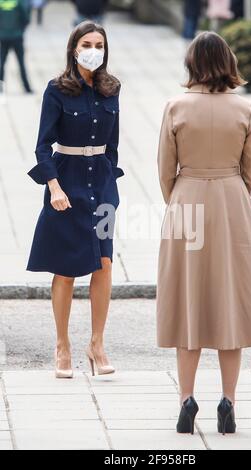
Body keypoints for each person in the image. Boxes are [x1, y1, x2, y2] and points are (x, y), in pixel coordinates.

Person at [156, 31, 251, 435]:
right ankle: (228, 401)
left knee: (187, 299)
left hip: (186, 197)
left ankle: (186, 399)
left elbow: (164, 171)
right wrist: (234, 193)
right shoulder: (244, 109)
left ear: (192, 63)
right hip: (231, 200)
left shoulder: (175, 107)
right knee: (231, 301)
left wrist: (179, 200)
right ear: (229, 62)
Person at [26, 20, 125, 379]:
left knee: (104, 263)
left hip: (102, 184)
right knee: (66, 268)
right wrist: (53, 187)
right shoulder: (57, 90)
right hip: (66, 182)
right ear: (74, 48)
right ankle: (62, 344)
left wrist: (110, 179)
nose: (94, 49)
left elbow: (113, 146)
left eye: (100, 43)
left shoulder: (112, 89)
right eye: (87, 43)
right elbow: (41, 146)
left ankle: (97, 344)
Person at [0, 0, 32, 93]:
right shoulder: (18, 2)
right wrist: (21, 30)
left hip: (3, 37)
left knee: (2, 63)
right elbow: (26, 18)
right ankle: (27, 88)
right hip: (17, 36)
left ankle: (1, 86)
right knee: (21, 63)